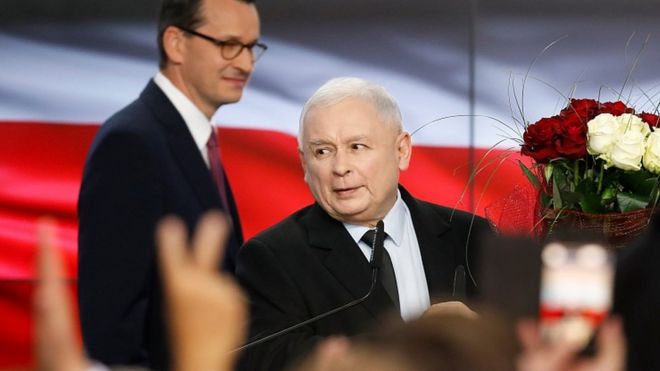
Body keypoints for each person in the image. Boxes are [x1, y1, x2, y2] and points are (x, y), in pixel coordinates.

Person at [235, 77, 490, 371]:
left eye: (357, 146)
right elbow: (267, 359)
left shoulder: (471, 236)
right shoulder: (272, 257)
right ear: (304, 164)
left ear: (401, 151)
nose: (340, 167)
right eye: (322, 151)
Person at [77, 0, 265, 368]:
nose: (245, 63)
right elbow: (114, 330)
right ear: (175, 43)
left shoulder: (188, 139)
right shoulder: (131, 143)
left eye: (252, 47)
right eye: (229, 44)